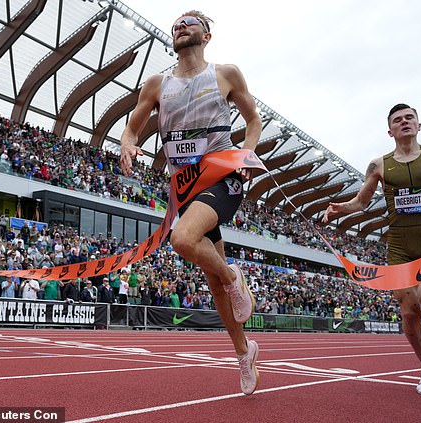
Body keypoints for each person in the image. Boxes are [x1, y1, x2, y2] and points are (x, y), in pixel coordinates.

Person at [119, 10, 262, 395]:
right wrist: (128, 142)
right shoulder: (156, 83)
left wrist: (247, 154)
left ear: (207, 36)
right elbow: (132, 124)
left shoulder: (225, 74)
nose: (180, 27)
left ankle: (236, 280)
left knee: (182, 239)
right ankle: (243, 351)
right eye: (176, 24)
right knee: (213, 282)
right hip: (185, 186)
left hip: (222, 175)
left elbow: (253, 121)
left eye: (190, 22)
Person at [323, 104, 421, 395]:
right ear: (390, 131)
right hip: (399, 244)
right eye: (398, 120)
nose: (404, 122)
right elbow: (362, 202)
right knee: (408, 313)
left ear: (418, 124)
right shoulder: (379, 165)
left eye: (409, 118)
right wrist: (341, 209)